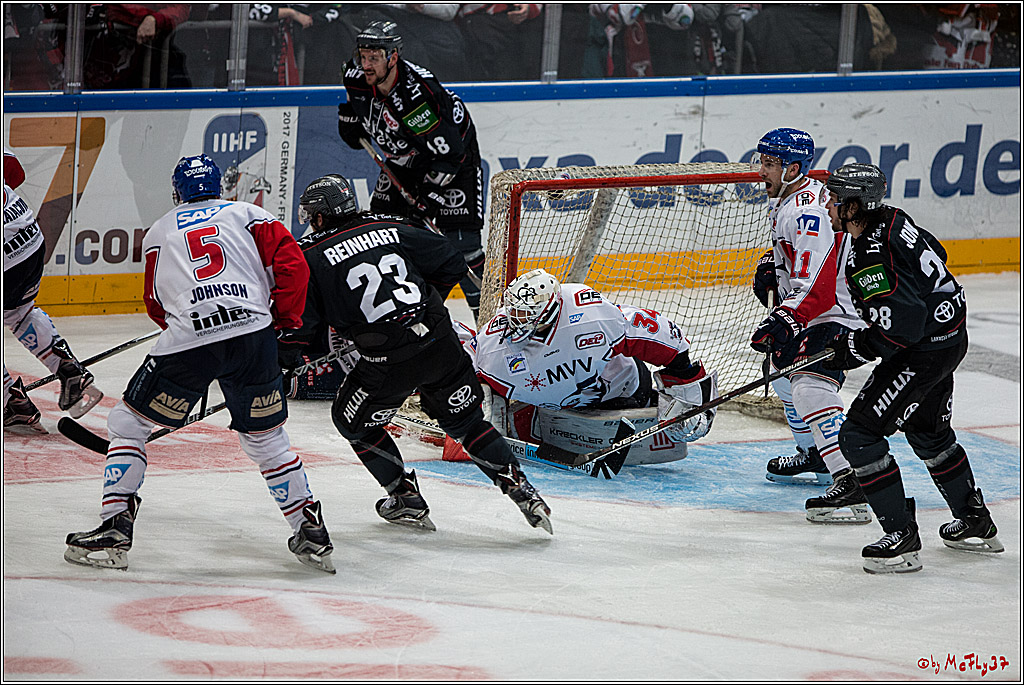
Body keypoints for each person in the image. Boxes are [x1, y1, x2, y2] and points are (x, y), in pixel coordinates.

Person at [64, 155, 335, 574]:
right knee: (266, 439)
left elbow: (155, 302)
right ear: (218, 187)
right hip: (253, 336)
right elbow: (293, 267)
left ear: (177, 193)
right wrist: (283, 320)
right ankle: (309, 528)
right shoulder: (252, 215)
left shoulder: (160, 230)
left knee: (128, 423)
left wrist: (189, 336)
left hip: (191, 340)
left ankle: (115, 524)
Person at [280, 174, 551, 534]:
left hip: (387, 362)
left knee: (353, 423)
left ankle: (404, 495)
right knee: (467, 424)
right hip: (441, 343)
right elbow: (451, 261)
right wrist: (420, 310)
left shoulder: (309, 255)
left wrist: (287, 360)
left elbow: (301, 325)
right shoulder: (390, 226)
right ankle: (521, 488)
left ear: (318, 216)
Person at [822, 163, 1003, 573]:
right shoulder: (894, 218)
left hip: (923, 351)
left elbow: (901, 329)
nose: (829, 206)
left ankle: (901, 536)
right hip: (949, 337)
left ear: (854, 206)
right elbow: (936, 252)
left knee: (859, 436)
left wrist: (852, 347)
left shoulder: (868, 255)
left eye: (835, 199)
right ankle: (974, 520)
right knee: (928, 433)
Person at [466, 268, 718, 461]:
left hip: (624, 391)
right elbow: (464, 368)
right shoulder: (492, 343)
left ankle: (646, 402)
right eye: (513, 311)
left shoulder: (590, 314)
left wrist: (688, 388)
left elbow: (661, 337)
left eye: (524, 314)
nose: (514, 321)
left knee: (640, 400)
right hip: (552, 409)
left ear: (548, 312)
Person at [748, 127, 870, 525]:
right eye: (762, 161)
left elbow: (817, 283)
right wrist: (775, 264)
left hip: (835, 310)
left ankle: (853, 483)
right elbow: (803, 258)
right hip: (814, 307)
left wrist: (786, 318)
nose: (761, 171)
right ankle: (817, 455)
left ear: (793, 168)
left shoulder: (806, 211)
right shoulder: (790, 198)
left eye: (770, 163)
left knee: (810, 386)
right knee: (784, 376)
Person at [336, 20, 486, 322]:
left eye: (374, 58)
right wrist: (351, 121)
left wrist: (430, 195)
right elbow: (357, 110)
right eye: (363, 56)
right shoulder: (354, 76)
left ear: (393, 57)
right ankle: (406, 313)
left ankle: (487, 320)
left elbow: (449, 155)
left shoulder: (416, 97)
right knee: (381, 232)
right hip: (403, 159)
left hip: (454, 159)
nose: (366, 65)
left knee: (463, 246)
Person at [4, 147, 103, 432]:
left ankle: (11, 402)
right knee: (20, 313)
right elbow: (14, 170)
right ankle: (69, 370)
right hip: (28, 238)